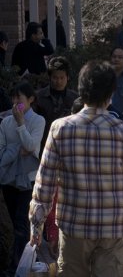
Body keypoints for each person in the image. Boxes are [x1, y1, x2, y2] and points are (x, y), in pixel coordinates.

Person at [29, 60, 123, 276]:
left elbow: (44, 182)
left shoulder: (60, 129)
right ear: (110, 94)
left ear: (81, 90)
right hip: (113, 228)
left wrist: (36, 224)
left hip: (73, 227)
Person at [0, 81, 45, 272]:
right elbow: (2, 155)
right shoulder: (5, 122)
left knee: (22, 223)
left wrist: (20, 124)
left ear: (30, 99)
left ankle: (17, 267)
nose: (15, 102)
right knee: (14, 222)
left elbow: (31, 146)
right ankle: (27, 260)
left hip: (29, 179)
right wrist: (17, 149)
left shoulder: (38, 121)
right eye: (13, 98)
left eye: (19, 98)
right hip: (9, 179)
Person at [33, 56, 78, 150]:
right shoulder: (38, 96)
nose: (58, 81)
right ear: (50, 77)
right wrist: (19, 107)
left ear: (68, 77)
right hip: (44, 144)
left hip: (68, 145)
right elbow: (24, 106)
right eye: (55, 77)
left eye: (62, 78)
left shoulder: (75, 98)